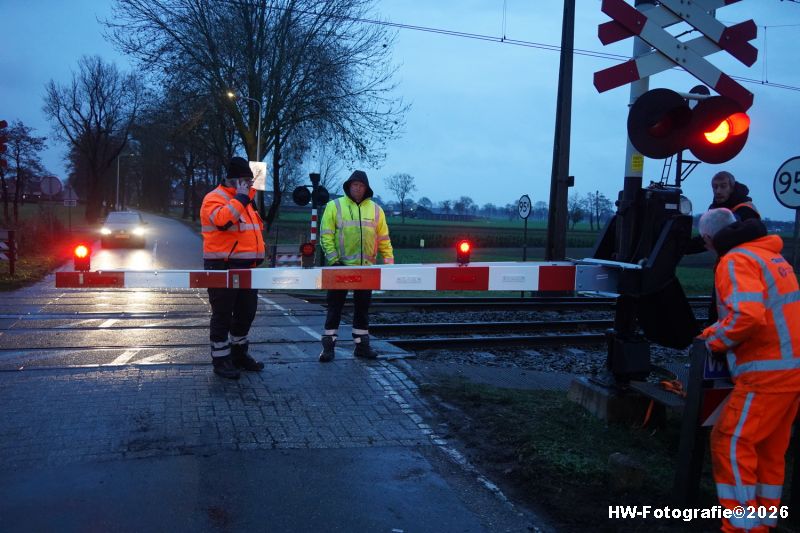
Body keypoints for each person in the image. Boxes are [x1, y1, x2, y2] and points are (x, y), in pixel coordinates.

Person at [698, 208, 800, 533]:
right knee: (769, 449)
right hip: (791, 372)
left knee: (730, 441)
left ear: (708, 239)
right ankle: (764, 522)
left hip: (765, 373)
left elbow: (747, 315)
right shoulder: (770, 256)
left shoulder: (735, 261)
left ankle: (742, 527)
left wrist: (713, 340)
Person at [200, 156, 266, 379]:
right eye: (245, 180)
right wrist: (241, 197)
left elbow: (250, 231)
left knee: (246, 313)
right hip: (222, 266)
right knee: (222, 315)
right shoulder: (214, 198)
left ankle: (239, 355)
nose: (249, 184)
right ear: (234, 180)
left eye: (250, 180)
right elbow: (223, 221)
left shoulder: (246, 200)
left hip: (247, 267)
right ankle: (221, 360)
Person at [318, 170, 394, 362]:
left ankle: (361, 346)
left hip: (366, 268)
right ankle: (328, 348)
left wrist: (389, 263)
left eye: (361, 186)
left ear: (366, 188)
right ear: (349, 186)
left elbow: (383, 238)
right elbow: (326, 234)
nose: (358, 188)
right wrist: (334, 260)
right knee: (334, 308)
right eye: (355, 185)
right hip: (340, 266)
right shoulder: (334, 206)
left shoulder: (376, 210)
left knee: (362, 309)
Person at [687, 171, 763, 324]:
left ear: (732, 188)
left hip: (743, 271)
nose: (718, 191)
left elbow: (717, 236)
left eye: (723, 186)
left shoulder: (745, 210)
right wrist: (682, 247)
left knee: (733, 314)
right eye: (715, 187)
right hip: (726, 268)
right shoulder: (718, 208)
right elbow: (707, 238)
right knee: (718, 310)